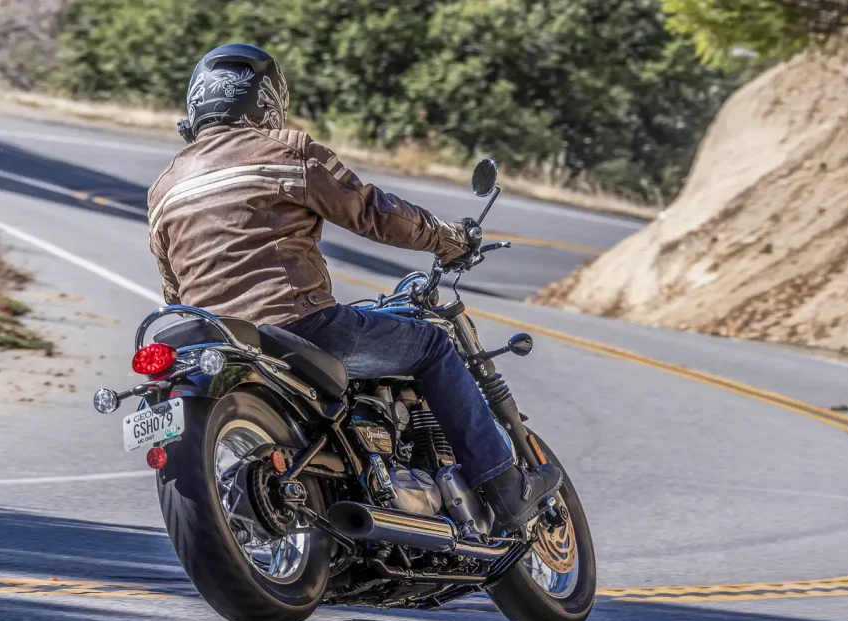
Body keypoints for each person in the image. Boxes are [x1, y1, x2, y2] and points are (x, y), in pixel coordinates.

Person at [148, 43, 561, 530]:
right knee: (432, 345)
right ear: (266, 101)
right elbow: (373, 212)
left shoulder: (164, 188)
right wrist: (449, 239)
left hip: (220, 340)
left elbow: (174, 291)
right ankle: (506, 489)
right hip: (299, 323)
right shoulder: (288, 150)